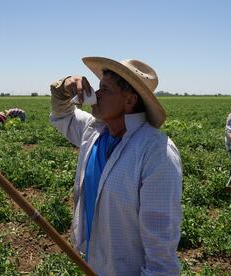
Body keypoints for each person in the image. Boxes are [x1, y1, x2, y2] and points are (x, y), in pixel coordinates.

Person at [49, 56, 182, 275]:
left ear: (129, 101)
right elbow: (62, 113)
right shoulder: (94, 130)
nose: (97, 94)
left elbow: (161, 251)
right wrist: (65, 86)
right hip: (91, 262)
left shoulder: (156, 152)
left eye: (105, 89)